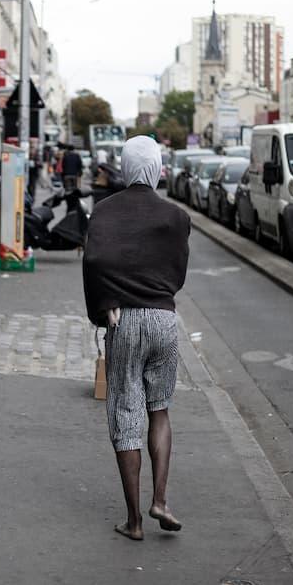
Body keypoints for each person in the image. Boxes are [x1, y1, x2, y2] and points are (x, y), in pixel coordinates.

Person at [82, 135, 191, 542]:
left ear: (126, 168)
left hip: (123, 319)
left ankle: (134, 521)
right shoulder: (176, 216)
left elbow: (94, 260)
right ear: (159, 168)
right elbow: (178, 271)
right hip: (164, 319)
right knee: (159, 410)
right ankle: (161, 499)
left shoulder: (105, 213)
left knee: (126, 413)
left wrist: (103, 307)